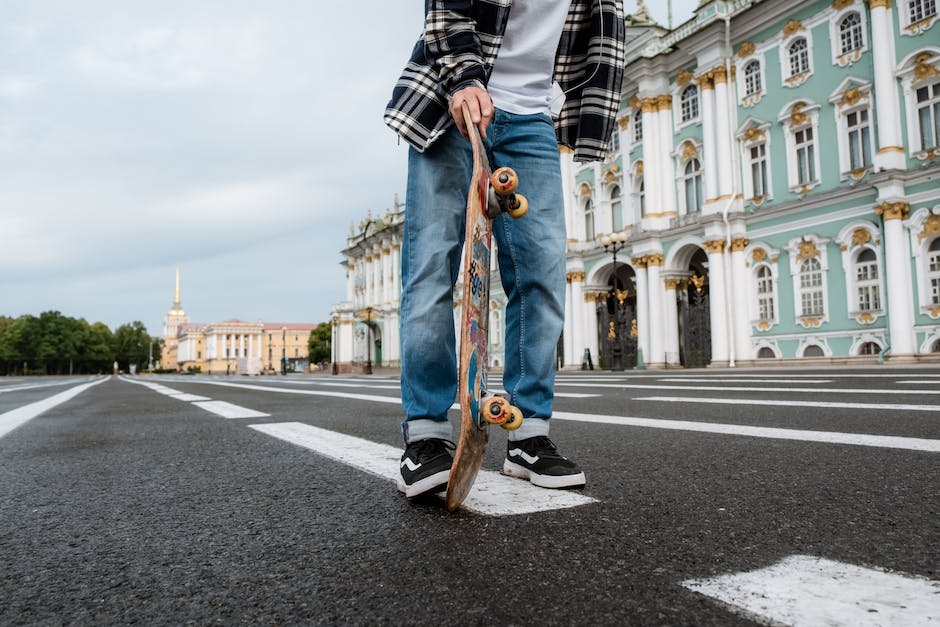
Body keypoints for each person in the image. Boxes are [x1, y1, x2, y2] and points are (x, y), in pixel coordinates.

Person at [385, 0, 625, 498]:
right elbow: (445, 9)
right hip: (455, 97)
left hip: (532, 117)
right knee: (431, 268)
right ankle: (426, 435)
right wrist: (464, 79)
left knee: (542, 271)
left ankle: (528, 432)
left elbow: (600, 44)